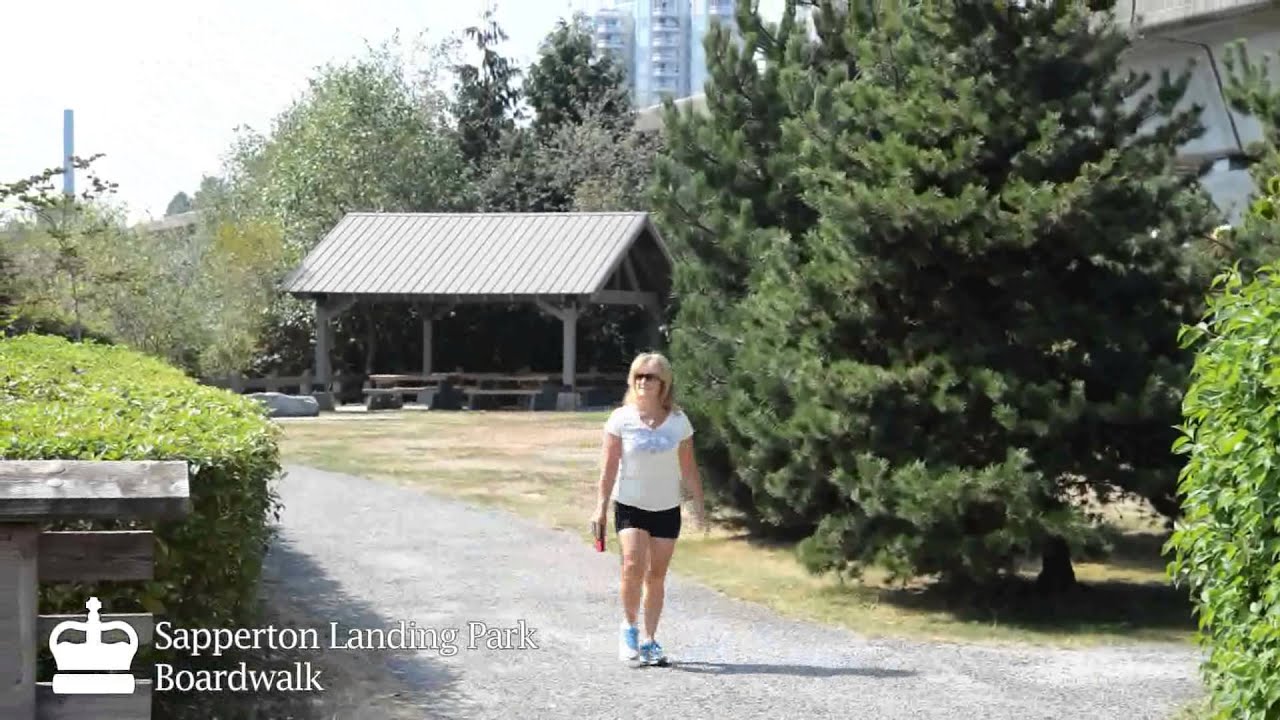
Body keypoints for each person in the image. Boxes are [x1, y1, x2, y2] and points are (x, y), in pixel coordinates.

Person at [592, 351, 705, 666]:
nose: (643, 381)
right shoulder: (621, 419)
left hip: (666, 507)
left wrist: (698, 503)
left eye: (650, 376)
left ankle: (650, 640)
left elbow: (689, 467)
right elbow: (608, 469)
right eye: (638, 376)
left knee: (656, 576)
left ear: (663, 383)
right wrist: (600, 508)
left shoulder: (679, 421)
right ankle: (629, 628)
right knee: (632, 565)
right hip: (630, 504)